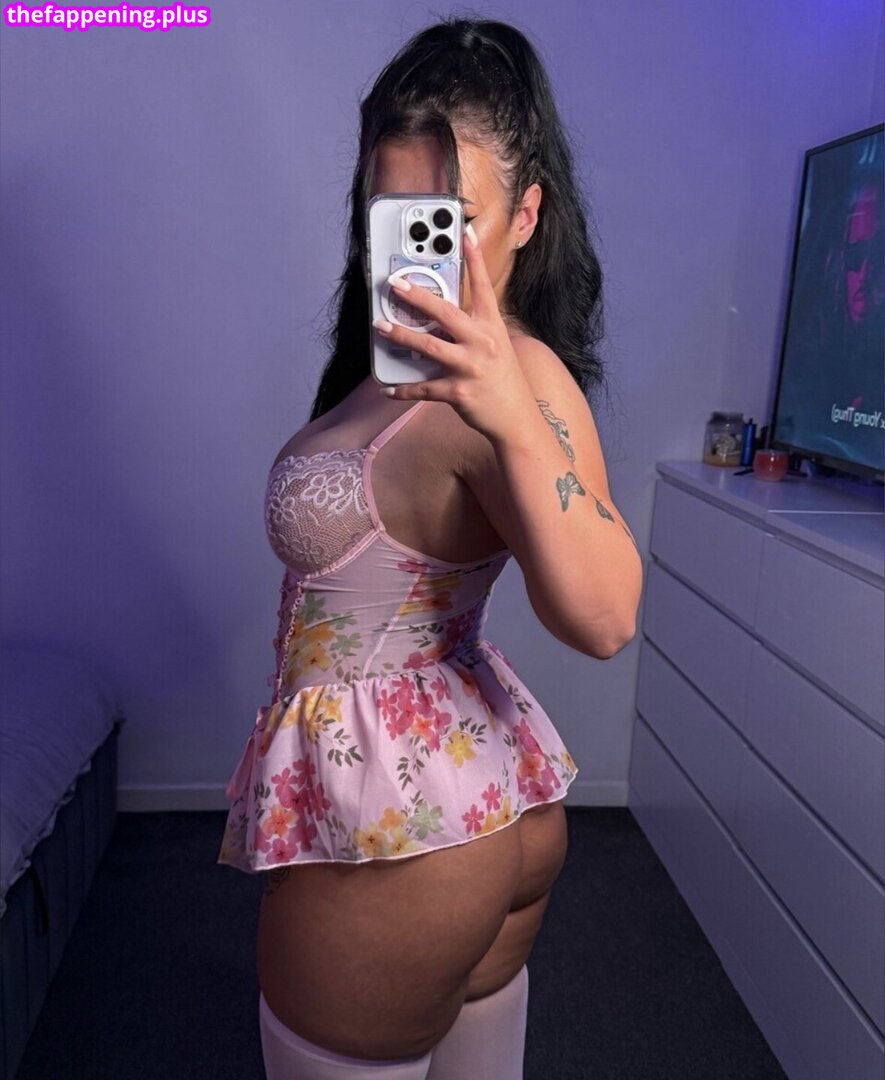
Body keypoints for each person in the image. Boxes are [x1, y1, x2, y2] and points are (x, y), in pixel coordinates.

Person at [217, 17, 643, 1079]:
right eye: (392, 215)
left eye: (447, 219)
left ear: (526, 215)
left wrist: (509, 418)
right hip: (476, 802)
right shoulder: (408, 365)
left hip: (407, 846)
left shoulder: (509, 384)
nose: (414, 252)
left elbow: (605, 616)